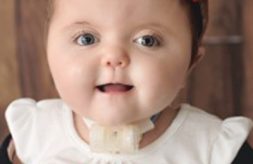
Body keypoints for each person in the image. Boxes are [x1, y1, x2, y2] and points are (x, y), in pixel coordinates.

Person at [1, 0, 253, 163]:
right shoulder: (32, 137)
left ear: (190, 62)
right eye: (86, 39)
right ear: (47, 49)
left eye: (147, 41)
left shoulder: (213, 148)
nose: (114, 58)